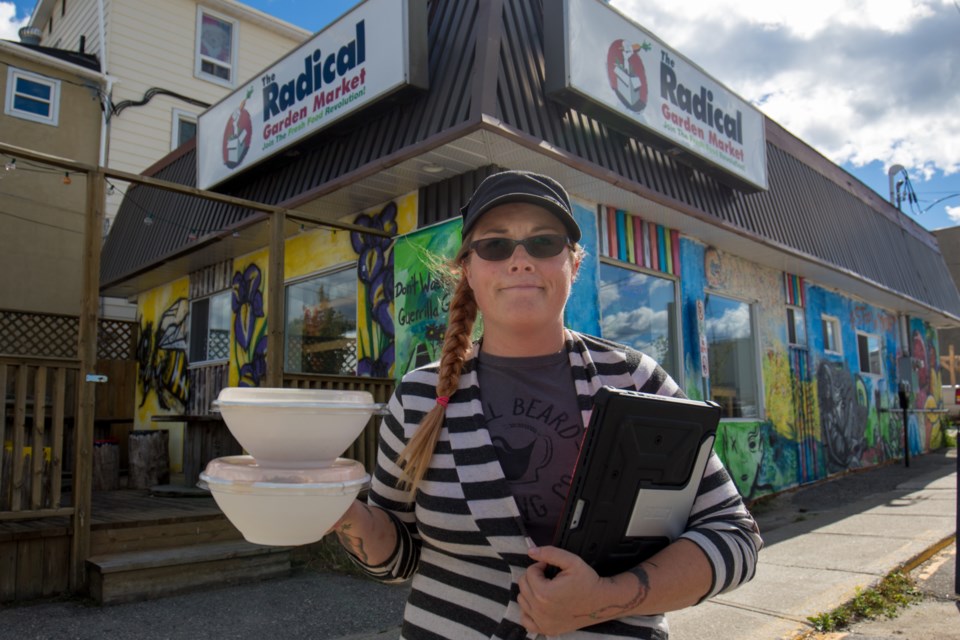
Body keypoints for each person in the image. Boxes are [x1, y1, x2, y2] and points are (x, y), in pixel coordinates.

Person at [331, 170, 762, 639]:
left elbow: (733, 536)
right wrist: (333, 509)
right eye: (495, 245)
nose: (520, 260)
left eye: (543, 243)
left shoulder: (635, 380)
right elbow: (398, 558)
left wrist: (603, 600)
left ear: (573, 266)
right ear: (468, 270)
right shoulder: (419, 398)